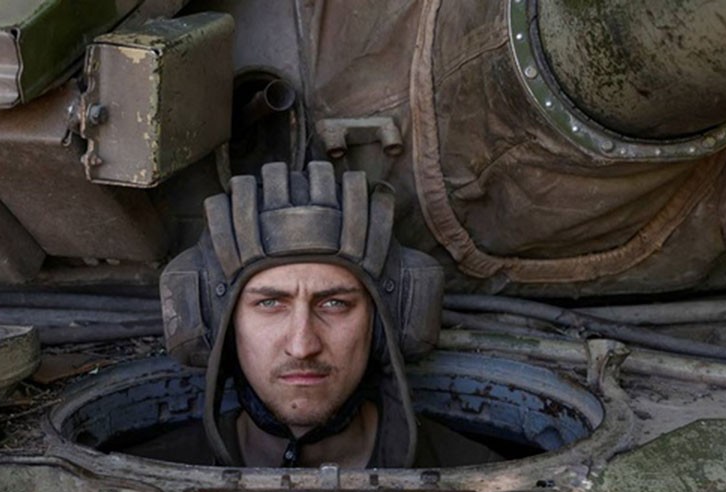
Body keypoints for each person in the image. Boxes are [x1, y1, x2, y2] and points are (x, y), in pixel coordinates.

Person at [134, 161, 499, 468]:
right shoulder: (149, 475)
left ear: (384, 322)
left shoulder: (473, 473)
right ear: (222, 323)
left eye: (334, 303)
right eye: (269, 304)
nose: (302, 345)